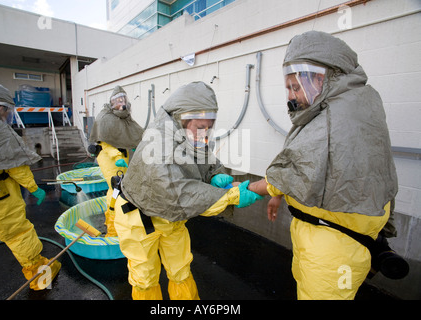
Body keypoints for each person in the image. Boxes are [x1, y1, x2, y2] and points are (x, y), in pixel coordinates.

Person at [249, 31, 400, 299]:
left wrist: (248, 189)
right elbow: (319, 165)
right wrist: (279, 194)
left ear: (319, 78)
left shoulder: (334, 118)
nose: (292, 97)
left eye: (295, 87)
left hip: (332, 248)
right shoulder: (355, 104)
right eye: (288, 88)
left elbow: (297, 167)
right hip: (334, 236)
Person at [113, 81, 263, 300]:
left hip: (171, 219)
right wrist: (231, 196)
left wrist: (214, 175)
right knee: (145, 278)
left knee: (181, 270)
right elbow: (179, 194)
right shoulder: (159, 142)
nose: (204, 134)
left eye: (209, 128)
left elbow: (205, 160)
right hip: (137, 217)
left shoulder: (189, 134)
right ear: (181, 118)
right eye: (200, 127)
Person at [0, 83, 61, 300]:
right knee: (19, 235)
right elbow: (16, 165)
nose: (6, 115)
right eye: (5, 110)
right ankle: (39, 278)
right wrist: (34, 188)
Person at [89, 86, 144, 237]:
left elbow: (131, 134)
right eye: (118, 100)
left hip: (123, 158)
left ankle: (123, 221)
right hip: (109, 158)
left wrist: (135, 147)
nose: (121, 103)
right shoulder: (105, 117)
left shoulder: (125, 117)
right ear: (112, 102)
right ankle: (112, 228)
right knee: (115, 188)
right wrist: (117, 157)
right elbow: (105, 141)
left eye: (123, 99)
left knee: (123, 187)